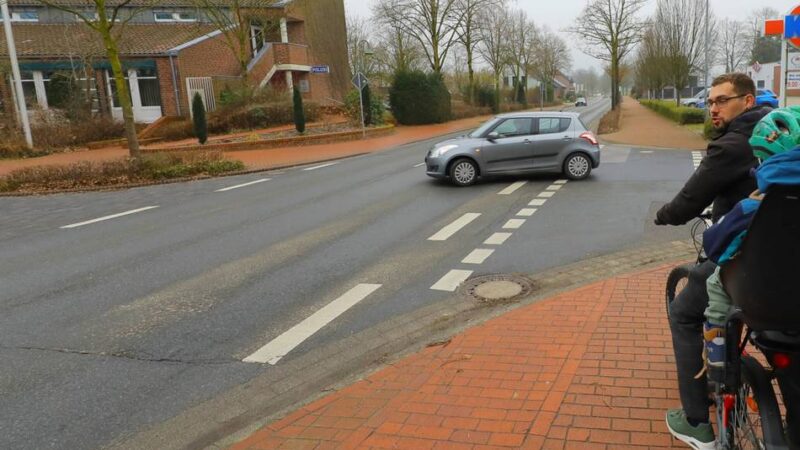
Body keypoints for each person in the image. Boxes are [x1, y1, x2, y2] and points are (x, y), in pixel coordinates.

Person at [655, 73, 770, 449]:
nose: (713, 108)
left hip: (737, 260)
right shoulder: (777, 138)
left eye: (722, 101)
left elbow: (690, 198)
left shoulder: (732, 146)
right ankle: (729, 378)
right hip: (779, 262)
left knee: (684, 314)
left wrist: (665, 215)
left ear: (747, 101)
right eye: (710, 102)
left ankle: (695, 423)